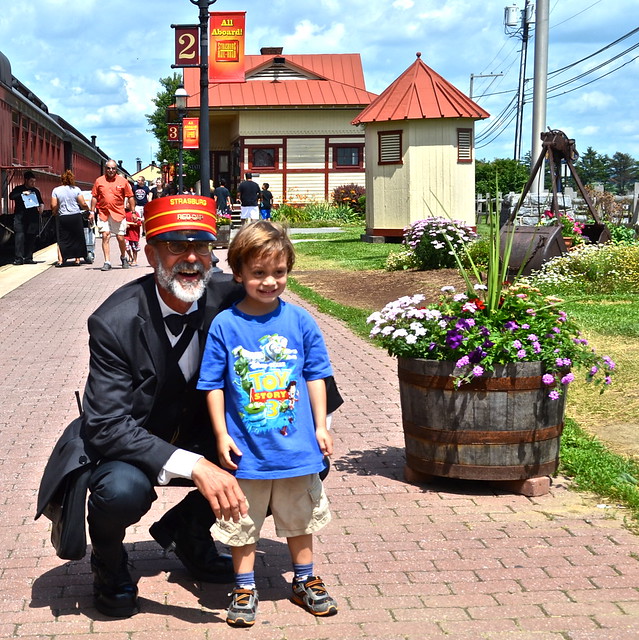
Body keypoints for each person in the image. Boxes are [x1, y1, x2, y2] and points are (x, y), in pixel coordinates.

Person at [35, 197, 343, 620]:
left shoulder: (235, 294)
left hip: (212, 431)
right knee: (119, 491)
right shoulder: (114, 322)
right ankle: (108, 564)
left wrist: (317, 427)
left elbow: (303, 360)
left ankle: (190, 532)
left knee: (298, 459)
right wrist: (196, 466)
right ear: (151, 253)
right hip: (137, 442)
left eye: (202, 245)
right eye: (176, 246)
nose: (191, 258)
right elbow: (106, 424)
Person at [197, 221, 339, 627]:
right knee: (242, 521)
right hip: (247, 451)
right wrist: (221, 434)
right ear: (238, 273)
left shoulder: (300, 321)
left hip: (297, 449)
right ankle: (244, 585)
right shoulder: (226, 325)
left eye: (278, 272)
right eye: (258, 273)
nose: (269, 282)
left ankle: (305, 580)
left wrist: (320, 426)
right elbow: (211, 384)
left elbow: (315, 375)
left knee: (300, 516)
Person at [90, 160, 135, 271]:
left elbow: (130, 197)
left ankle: (123, 257)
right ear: (106, 169)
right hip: (103, 213)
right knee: (105, 235)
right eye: (109, 168)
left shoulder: (123, 181)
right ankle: (107, 262)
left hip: (118, 213)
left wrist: (133, 212)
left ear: (116, 169)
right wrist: (91, 212)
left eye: (113, 168)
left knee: (120, 237)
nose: (111, 170)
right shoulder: (99, 181)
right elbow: (94, 196)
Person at [51, 170, 90, 267]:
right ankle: (77, 260)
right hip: (75, 216)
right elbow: (82, 203)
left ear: (62, 179)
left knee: (62, 239)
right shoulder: (76, 189)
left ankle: (60, 260)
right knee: (77, 237)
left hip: (63, 217)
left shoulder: (56, 190)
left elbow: (53, 205)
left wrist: (55, 211)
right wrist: (89, 208)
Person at [9, 170, 44, 265]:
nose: (33, 183)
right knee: (19, 237)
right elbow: (11, 196)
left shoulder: (35, 191)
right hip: (20, 217)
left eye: (34, 182)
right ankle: (19, 258)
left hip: (32, 217)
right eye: (31, 181)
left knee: (31, 237)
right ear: (26, 180)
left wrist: (41, 208)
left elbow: (41, 202)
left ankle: (29, 257)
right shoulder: (18, 189)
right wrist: (22, 193)